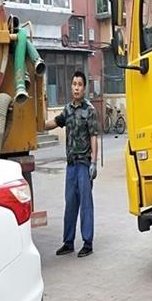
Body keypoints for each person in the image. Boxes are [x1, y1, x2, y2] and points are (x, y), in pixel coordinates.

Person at [44, 71, 99, 258]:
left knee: (85, 204)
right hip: (71, 165)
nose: (76, 88)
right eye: (74, 84)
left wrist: (94, 163)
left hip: (84, 164)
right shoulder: (67, 110)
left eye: (80, 84)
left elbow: (93, 136)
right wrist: (37, 124)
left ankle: (87, 243)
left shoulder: (89, 110)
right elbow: (54, 122)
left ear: (84, 88)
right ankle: (68, 242)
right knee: (70, 204)